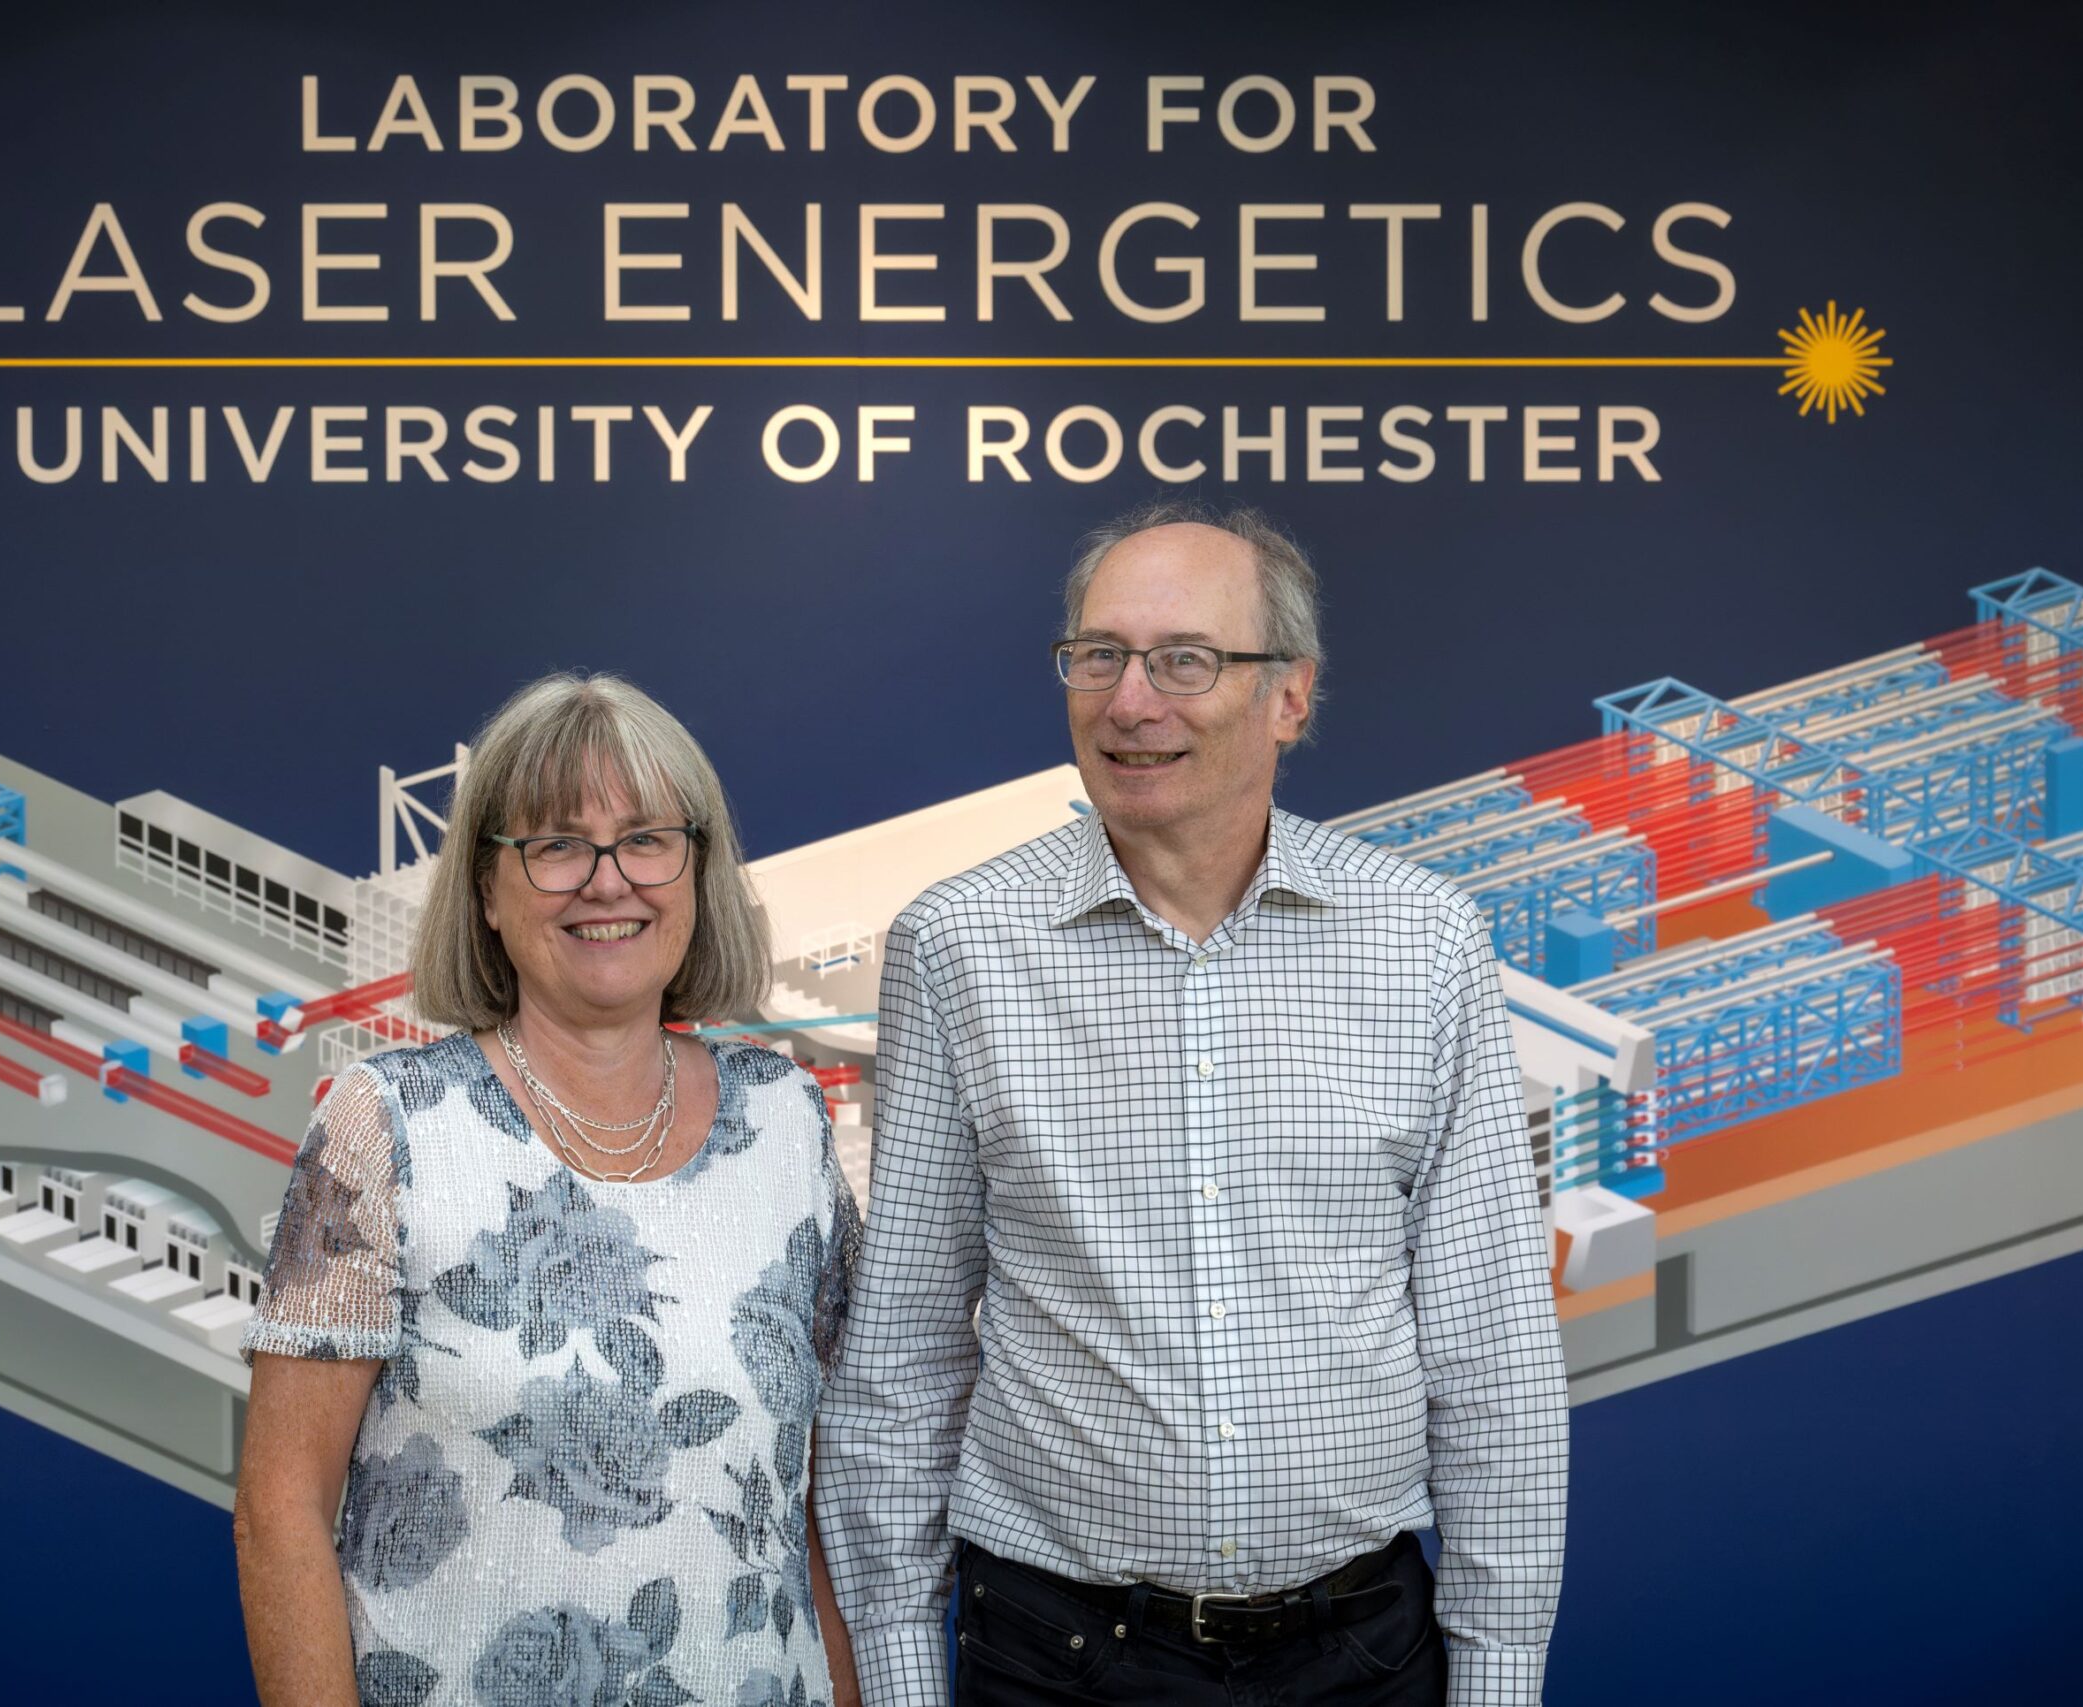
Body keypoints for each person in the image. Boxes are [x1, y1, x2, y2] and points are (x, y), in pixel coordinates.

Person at [815, 501, 1567, 1707]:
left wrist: (1498, 1675)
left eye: (1185, 661)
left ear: (1290, 697)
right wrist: (902, 1670)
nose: (1128, 701)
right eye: (1097, 656)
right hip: (1056, 1660)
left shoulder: (1421, 939)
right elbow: (901, 1353)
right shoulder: (959, 946)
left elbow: (1491, 1351)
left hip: (1361, 1655)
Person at [236, 672, 863, 1707]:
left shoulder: (786, 1122)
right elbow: (279, 1506)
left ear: (696, 873)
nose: (607, 881)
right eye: (556, 845)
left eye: (647, 839)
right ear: (486, 890)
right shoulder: (384, 1124)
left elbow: (817, 1510)